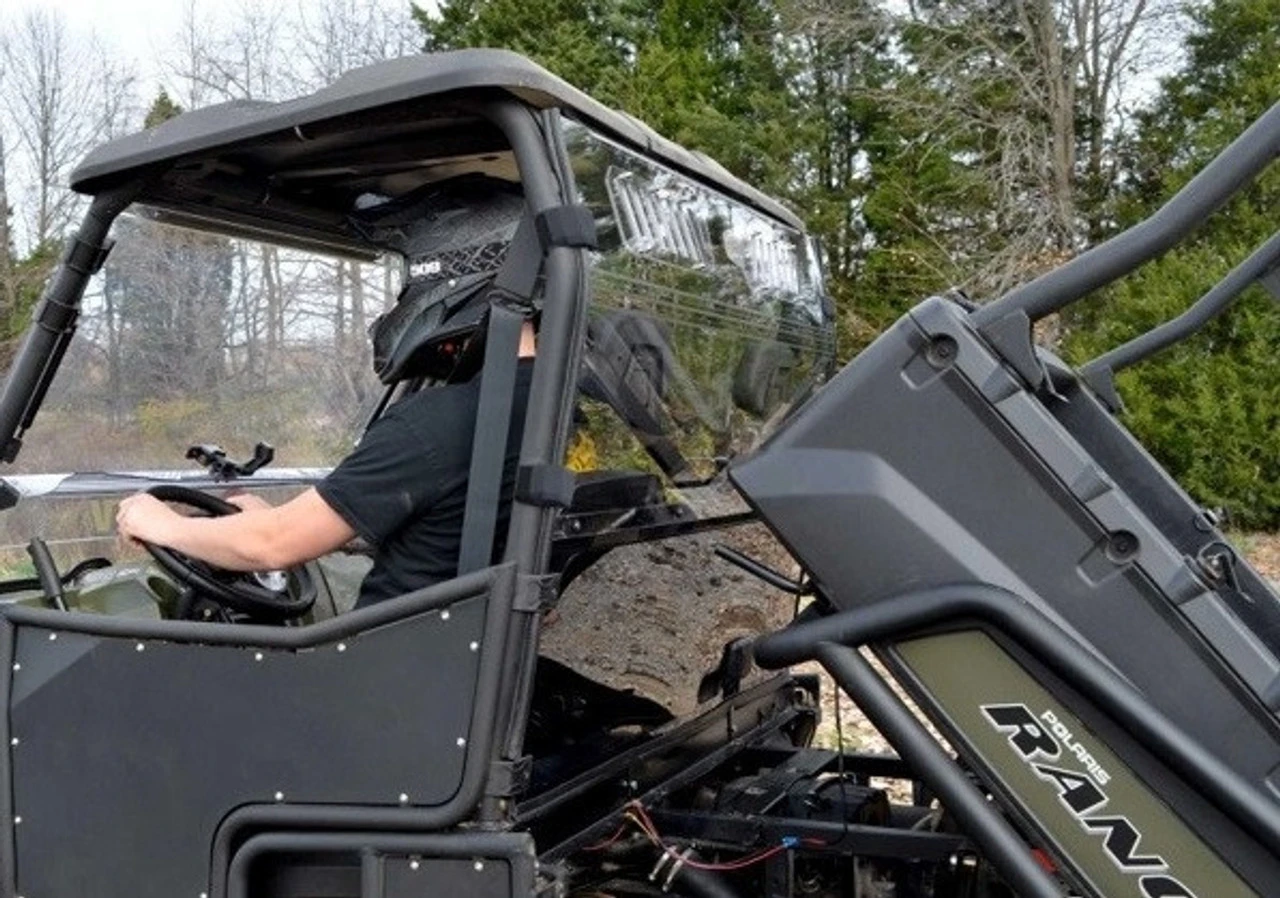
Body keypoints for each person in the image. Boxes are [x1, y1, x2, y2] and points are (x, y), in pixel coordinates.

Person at [116, 318, 537, 609]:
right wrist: (290, 522)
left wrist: (160, 524)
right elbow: (451, 527)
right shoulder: (553, 411)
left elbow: (273, 546)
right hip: (467, 659)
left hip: (387, 673)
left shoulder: (445, 420)